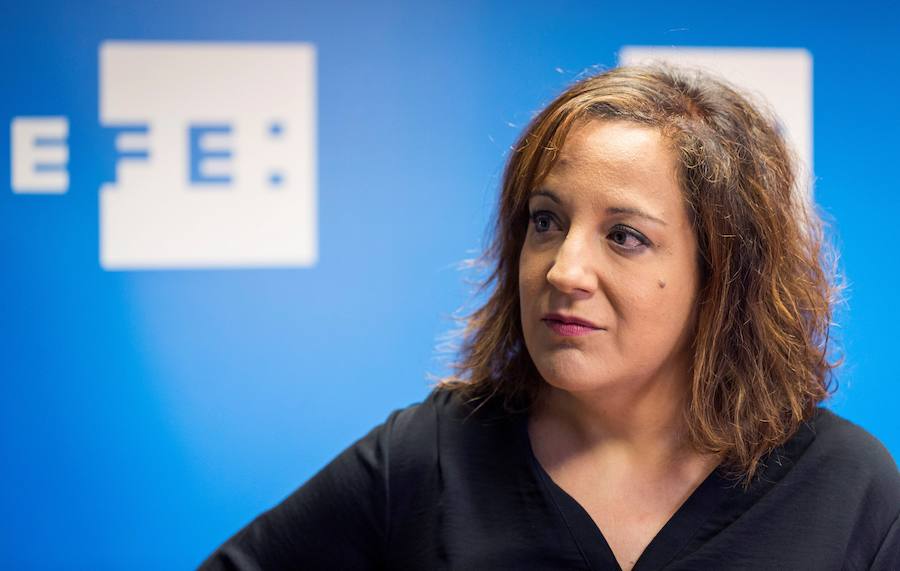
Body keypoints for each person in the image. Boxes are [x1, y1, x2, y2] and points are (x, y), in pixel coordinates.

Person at [199, 64, 900, 570]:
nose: (563, 270)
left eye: (624, 235)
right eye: (546, 221)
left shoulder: (847, 488)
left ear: (722, 272)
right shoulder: (429, 458)